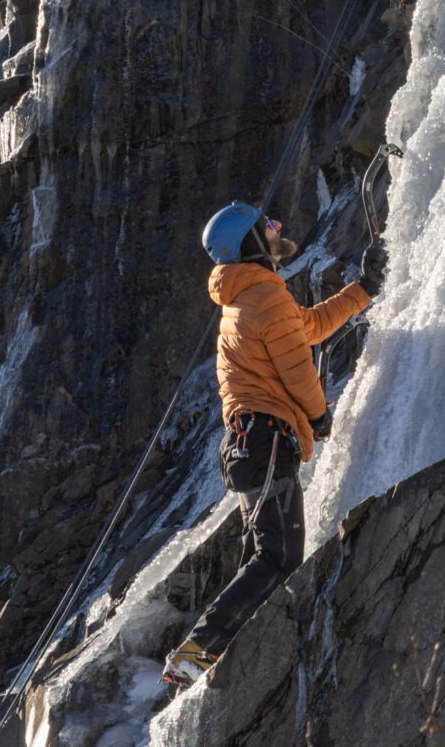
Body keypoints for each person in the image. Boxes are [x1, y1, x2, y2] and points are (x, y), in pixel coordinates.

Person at [162, 202, 387, 688]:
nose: (277, 231)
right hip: (264, 441)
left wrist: (364, 289)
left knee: (262, 558)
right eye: (267, 228)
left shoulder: (253, 300)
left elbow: (306, 328)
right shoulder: (263, 299)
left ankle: (219, 660)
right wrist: (320, 414)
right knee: (277, 557)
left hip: (251, 445)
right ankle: (197, 649)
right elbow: (298, 369)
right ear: (251, 244)